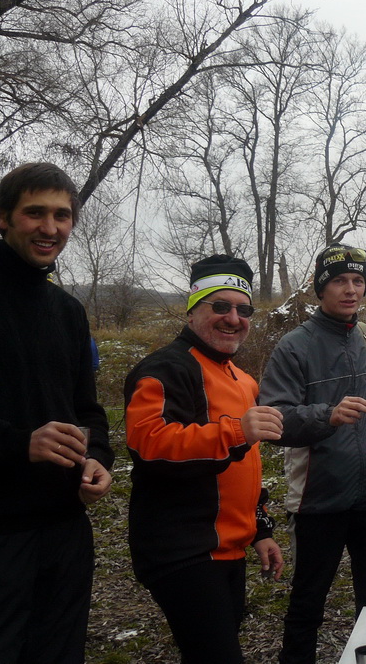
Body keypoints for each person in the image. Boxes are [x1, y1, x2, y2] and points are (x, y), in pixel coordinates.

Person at [259, 244, 366, 664]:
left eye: (357, 281)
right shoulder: (294, 346)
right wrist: (327, 415)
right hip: (319, 499)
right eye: (338, 281)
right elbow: (275, 420)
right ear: (320, 289)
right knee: (308, 601)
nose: (350, 290)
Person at [125, 254, 284, 664]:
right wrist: (236, 432)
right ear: (193, 309)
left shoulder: (242, 379)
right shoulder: (165, 368)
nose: (233, 319)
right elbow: (149, 446)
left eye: (244, 310)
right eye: (221, 306)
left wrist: (260, 528)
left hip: (228, 549)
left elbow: (245, 467)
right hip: (183, 551)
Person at [0, 162, 115, 663]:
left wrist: (98, 458)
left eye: (62, 215)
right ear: (3, 217)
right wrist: (20, 443)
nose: (50, 228)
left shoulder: (67, 311)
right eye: (35, 213)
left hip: (65, 525)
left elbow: (87, 409)